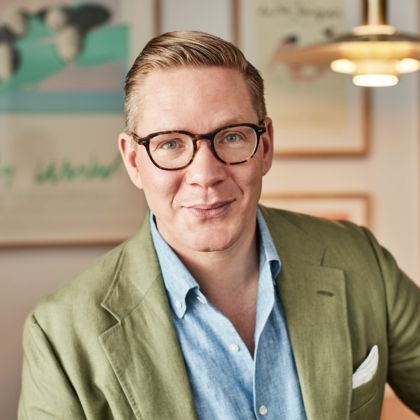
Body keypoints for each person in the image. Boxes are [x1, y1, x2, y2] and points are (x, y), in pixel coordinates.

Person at [18, 31, 420, 420]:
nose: (205, 175)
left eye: (230, 137)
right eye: (170, 143)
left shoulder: (361, 260)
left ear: (265, 147)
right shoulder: (60, 333)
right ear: (133, 160)